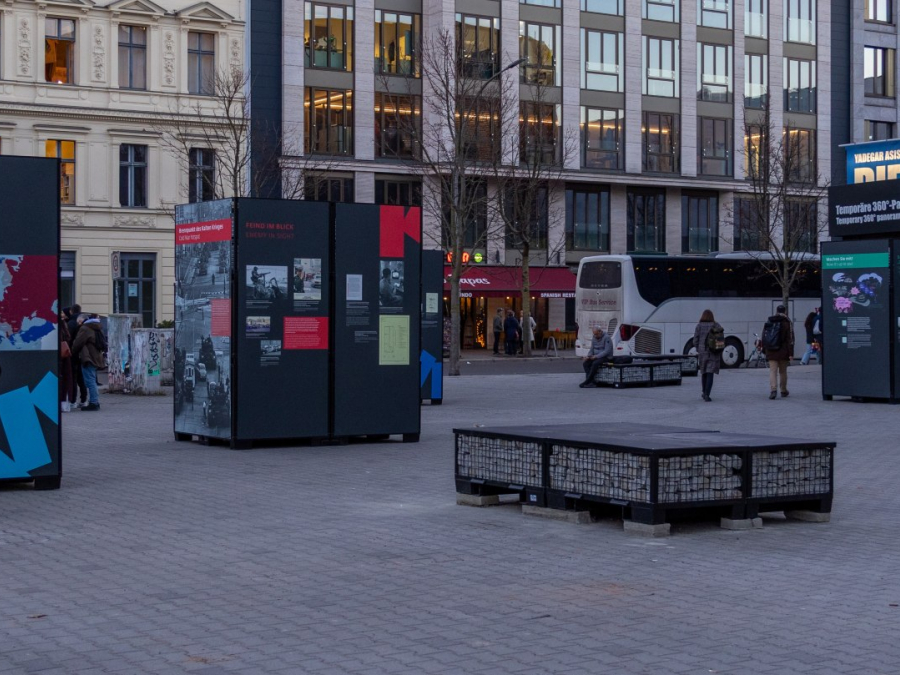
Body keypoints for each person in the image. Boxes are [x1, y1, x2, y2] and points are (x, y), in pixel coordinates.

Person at [72, 314, 106, 411]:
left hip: (88, 357)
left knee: (90, 381)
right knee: (92, 380)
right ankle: (95, 401)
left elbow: (78, 343)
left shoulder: (85, 328)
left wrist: (73, 350)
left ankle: (93, 403)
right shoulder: (98, 328)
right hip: (96, 356)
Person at [763, 304, 794, 399]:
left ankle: (773, 390)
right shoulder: (787, 322)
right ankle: (783, 390)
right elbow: (790, 339)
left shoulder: (770, 320)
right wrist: (791, 353)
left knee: (772, 371)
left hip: (771, 351)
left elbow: (764, 336)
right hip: (783, 351)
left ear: (776, 311)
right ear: (785, 311)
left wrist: (765, 350)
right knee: (783, 371)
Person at [693, 309, 723, 402]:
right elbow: (721, 339)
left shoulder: (699, 326)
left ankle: (703, 392)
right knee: (710, 372)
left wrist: (698, 348)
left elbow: (695, 340)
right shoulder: (716, 325)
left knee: (704, 372)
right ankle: (707, 394)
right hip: (713, 352)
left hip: (702, 352)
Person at [65, 304, 87, 408]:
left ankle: (72, 400)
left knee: (72, 377)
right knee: (81, 378)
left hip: (73, 354)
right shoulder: (84, 322)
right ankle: (83, 399)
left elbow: (69, 339)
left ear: (71, 311)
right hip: (82, 354)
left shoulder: (71, 323)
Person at [58, 312, 75, 412]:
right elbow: (68, 338)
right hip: (66, 355)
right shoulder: (64, 327)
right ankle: (65, 403)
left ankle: (61, 403)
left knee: (60, 379)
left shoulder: (57, 328)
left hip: (59, 356)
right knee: (66, 379)